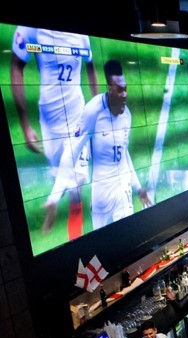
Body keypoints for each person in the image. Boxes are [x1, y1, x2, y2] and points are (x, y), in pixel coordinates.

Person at [11, 27, 97, 238]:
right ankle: (55, 201)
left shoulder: (81, 34)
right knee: (63, 175)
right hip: (49, 120)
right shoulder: (29, 29)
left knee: (76, 185)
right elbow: (16, 66)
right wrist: (25, 125)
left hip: (77, 115)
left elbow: (91, 67)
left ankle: (75, 245)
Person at [54, 59, 151, 230]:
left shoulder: (126, 115)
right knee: (101, 244)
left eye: (126, 88)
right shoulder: (93, 113)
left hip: (122, 189)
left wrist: (138, 189)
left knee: (128, 235)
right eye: (120, 89)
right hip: (100, 193)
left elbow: (124, 153)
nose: (125, 94)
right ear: (110, 89)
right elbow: (74, 149)